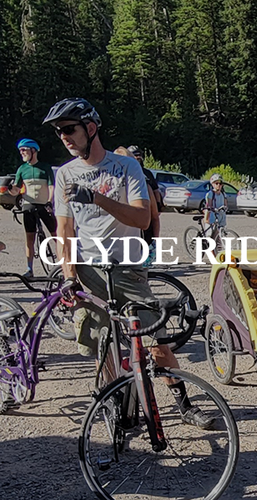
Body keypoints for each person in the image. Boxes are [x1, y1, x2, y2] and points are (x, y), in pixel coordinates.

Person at [43, 97, 213, 429]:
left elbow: (141, 218)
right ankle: (115, 401)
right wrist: (68, 275)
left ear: (91, 128)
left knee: (155, 341)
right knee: (101, 342)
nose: (64, 137)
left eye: (69, 129)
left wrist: (96, 198)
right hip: (89, 270)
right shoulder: (64, 174)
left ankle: (184, 405)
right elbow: (64, 230)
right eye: (59, 132)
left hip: (128, 268)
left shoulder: (125, 167)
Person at [8, 138, 57, 277]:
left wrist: (49, 201)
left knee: (56, 235)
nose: (21, 153)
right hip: (28, 205)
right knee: (29, 238)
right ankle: (29, 269)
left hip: (44, 204)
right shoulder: (22, 169)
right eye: (20, 150)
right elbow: (16, 190)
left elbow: (51, 186)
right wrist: (10, 189)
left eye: (24, 150)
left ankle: (65, 265)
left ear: (33, 150)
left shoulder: (45, 167)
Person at [114, 146, 160, 258]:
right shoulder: (108, 187)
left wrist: (155, 242)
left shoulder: (144, 184)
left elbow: (154, 216)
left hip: (141, 241)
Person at [127, 145, 163, 211]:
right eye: (135, 155)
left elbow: (155, 190)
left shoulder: (147, 173)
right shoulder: (125, 172)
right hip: (131, 205)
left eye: (139, 155)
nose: (138, 157)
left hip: (147, 206)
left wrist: (158, 205)